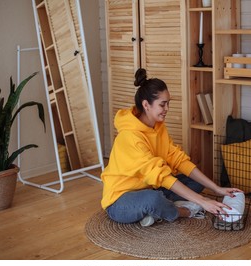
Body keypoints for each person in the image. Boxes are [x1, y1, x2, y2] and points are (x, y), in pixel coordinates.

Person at [101, 68, 242, 226]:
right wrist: (202, 202)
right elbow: (161, 176)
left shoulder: (158, 126)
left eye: (168, 103)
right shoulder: (130, 137)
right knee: (153, 199)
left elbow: (177, 159)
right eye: (163, 104)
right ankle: (184, 211)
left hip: (149, 187)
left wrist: (216, 188)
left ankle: (156, 212)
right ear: (146, 105)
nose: (167, 109)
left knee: (195, 181)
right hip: (120, 201)